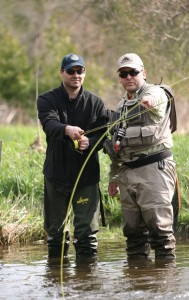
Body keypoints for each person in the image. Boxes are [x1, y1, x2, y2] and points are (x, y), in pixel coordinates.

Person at [104, 53, 177, 260]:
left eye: (133, 72)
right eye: (123, 73)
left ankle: (165, 286)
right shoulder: (119, 107)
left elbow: (157, 103)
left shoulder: (155, 92)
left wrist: (148, 102)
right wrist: (113, 176)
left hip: (154, 170)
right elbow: (117, 146)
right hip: (127, 173)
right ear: (119, 77)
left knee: (160, 232)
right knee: (133, 235)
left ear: (143, 73)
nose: (129, 77)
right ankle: (138, 283)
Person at [37, 53, 108, 260]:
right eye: (71, 71)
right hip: (56, 176)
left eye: (80, 71)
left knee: (86, 235)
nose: (76, 75)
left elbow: (103, 136)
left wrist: (91, 143)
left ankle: (85, 284)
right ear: (62, 73)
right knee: (56, 234)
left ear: (84, 73)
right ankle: (56, 280)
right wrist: (67, 129)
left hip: (86, 178)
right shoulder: (47, 100)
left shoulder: (96, 103)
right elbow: (49, 124)